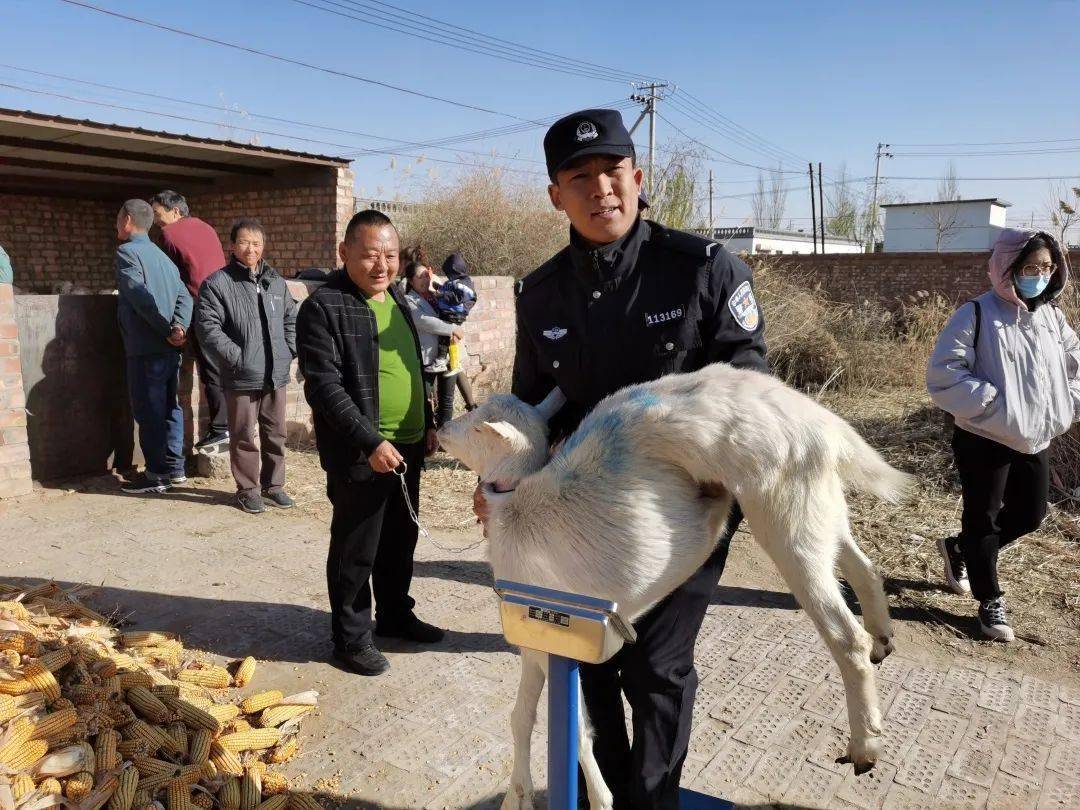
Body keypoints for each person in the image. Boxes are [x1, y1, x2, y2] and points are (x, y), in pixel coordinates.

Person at [474, 109, 768, 808]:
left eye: (613, 172)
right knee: (588, 664)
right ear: (555, 195)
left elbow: (748, 382)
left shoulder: (700, 269)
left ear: (637, 178)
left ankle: (652, 798)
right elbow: (531, 407)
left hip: (681, 512)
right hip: (577, 519)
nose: (601, 189)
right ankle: (602, 793)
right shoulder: (540, 292)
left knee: (659, 668)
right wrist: (502, 484)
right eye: (581, 178)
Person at [297, 209, 443, 678]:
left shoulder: (397, 299)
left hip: (409, 446)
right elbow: (324, 387)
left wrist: (430, 421)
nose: (381, 265)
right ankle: (351, 639)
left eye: (391, 255)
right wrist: (370, 440)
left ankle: (396, 616)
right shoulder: (324, 307)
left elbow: (413, 370)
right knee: (356, 548)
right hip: (362, 453)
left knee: (401, 539)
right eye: (370, 256)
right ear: (344, 254)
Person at [927, 228, 1079, 642]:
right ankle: (989, 599)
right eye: (1031, 267)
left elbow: (1074, 365)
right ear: (1007, 267)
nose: (1040, 275)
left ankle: (959, 550)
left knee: (1031, 514)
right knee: (984, 519)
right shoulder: (976, 313)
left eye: (1047, 267)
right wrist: (993, 408)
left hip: (1035, 436)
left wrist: (1067, 404)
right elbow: (944, 375)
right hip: (983, 436)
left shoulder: (1052, 317)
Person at [195, 219, 297, 515]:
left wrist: (288, 349)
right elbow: (208, 328)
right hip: (241, 374)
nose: (250, 249)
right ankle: (248, 489)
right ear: (232, 245)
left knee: (276, 432)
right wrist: (236, 357)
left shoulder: (275, 282)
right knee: (242, 434)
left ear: (263, 247)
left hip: (275, 372)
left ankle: (274, 485)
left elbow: (291, 318)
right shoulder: (218, 284)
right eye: (243, 242)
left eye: (256, 243)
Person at [114, 199, 193, 494]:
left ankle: (156, 475)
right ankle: (175, 469)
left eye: (118, 218)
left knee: (149, 411)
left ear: (127, 220)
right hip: (169, 349)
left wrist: (165, 330)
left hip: (146, 347)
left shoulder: (126, 253)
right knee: (170, 407)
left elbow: (140, 298)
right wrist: (178, 328)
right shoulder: (163, 257)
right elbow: (185, 298)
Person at [150, 190, 230, 451]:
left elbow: (171, 281)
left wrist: (178, 321)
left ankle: (220, 429)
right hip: (223, 305)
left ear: (175, 211)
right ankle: (227, 426)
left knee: (211, 371)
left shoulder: (169, 235)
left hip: (199, 307)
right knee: (220, 368)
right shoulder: (206, 227)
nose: (156, 221)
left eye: (158, 214)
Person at [402, 251, 464, 427]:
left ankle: (445, 435)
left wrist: (437, 285)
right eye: (420, 277)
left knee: (447, 399)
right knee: (424, 398)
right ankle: (427, 433)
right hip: (426, 357)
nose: (424, 280)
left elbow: (455, 305)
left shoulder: (437, 293)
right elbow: (422, 321)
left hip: (447, 355)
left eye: (426, 275)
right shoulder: (409, 300)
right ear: (411, 281)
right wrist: (452, 329)